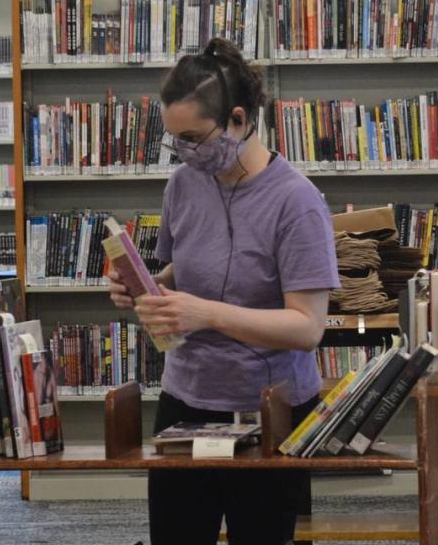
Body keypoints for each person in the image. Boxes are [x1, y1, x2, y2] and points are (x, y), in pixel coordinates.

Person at [107, 37, 340, 545]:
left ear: (238, 119)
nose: (186, 153)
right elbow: (184, 267)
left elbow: (307, 327)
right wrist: (146, 287)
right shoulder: (182, 185)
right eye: (176, 142)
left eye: (193, 138)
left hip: (269, 411)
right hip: (186, 400)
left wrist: (206, 313)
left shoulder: (296, 202)